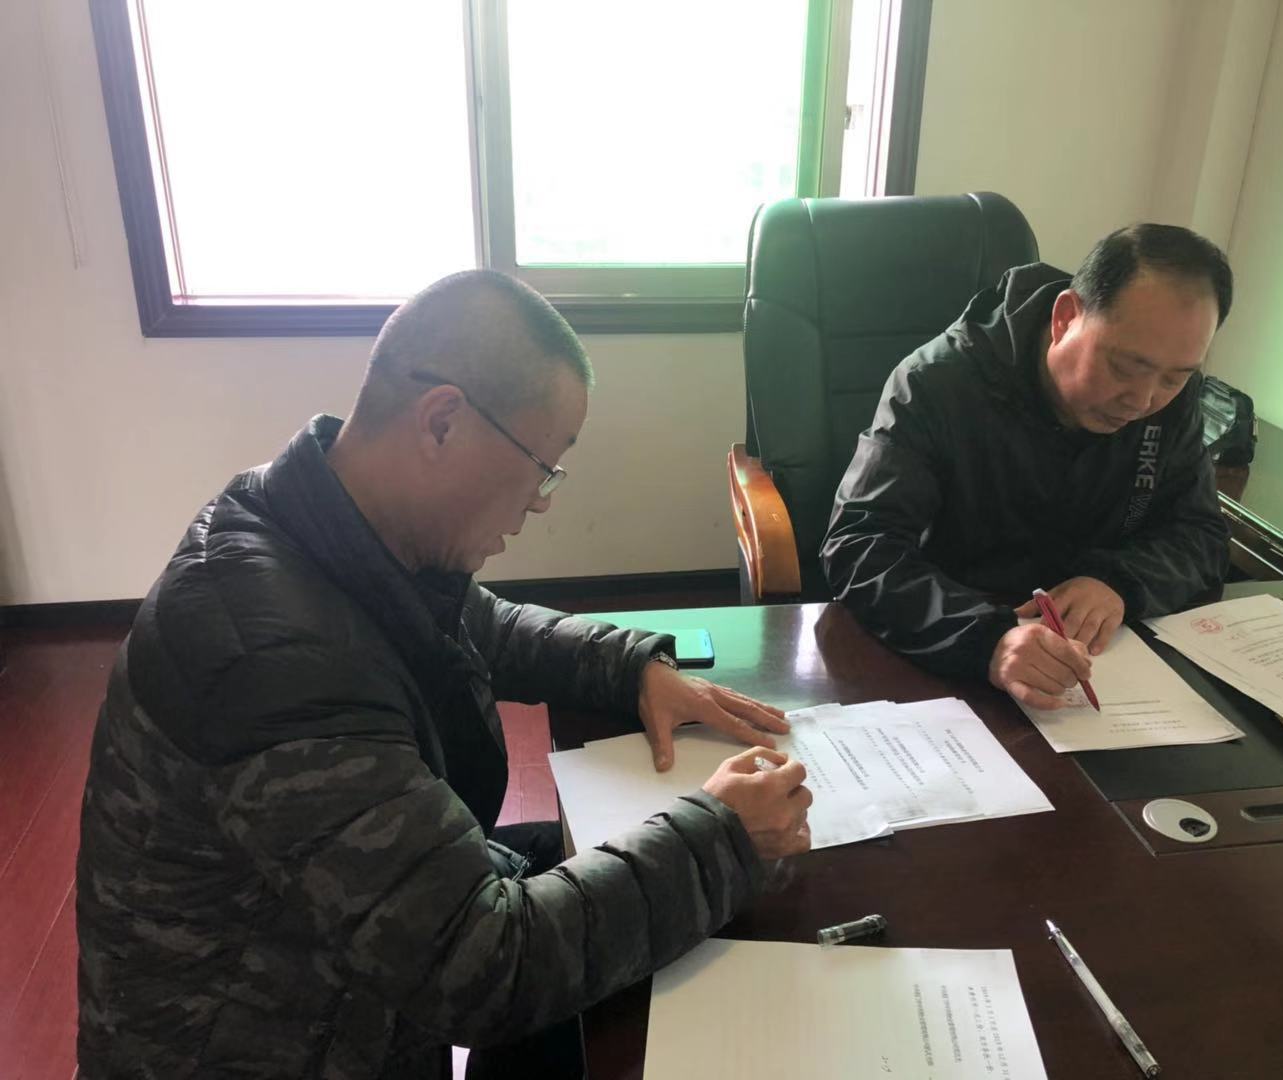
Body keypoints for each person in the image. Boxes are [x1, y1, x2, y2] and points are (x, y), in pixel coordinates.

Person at [75, 270, 812, 1079]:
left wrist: (629, 667)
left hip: (326, 982)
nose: (541, 502)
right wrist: (724, 837)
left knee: (609, 873)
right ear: (442, 422)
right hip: (257, 1045)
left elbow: (485, 626)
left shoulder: (326, 521)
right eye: (542, 464)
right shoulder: (272, 658)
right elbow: (483, 969)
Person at [822, 224, 1232, 709]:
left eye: (1175, 377)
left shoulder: (1170, 404)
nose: (1143, 401)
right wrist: (986, 639)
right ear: (1065, 318)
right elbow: (860, 545)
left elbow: (1200, 534)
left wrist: (1119, 582)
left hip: (1100, 670)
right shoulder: (937, 384)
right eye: (1125, 368)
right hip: (948, 664)